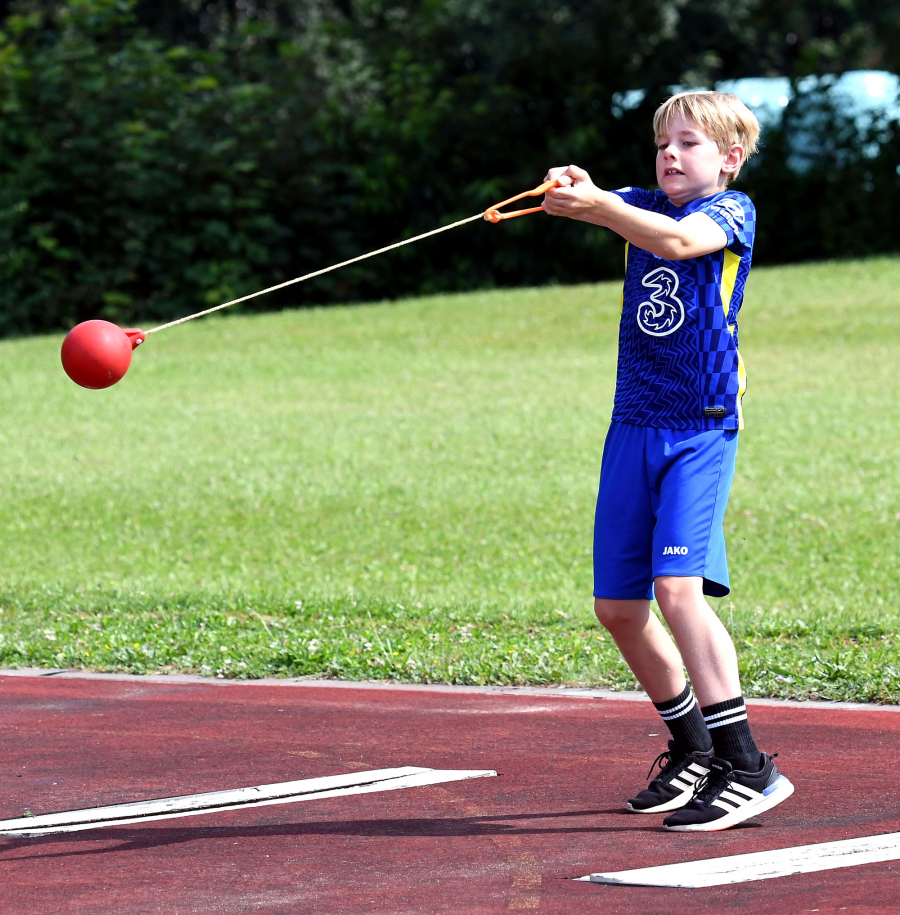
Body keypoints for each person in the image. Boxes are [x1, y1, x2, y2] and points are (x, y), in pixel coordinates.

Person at [542, 90, 794, 832]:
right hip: (633, 424)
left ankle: (747, 763)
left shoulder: (730, 212)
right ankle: (692, 748)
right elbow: (602, 203)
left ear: (728, 158)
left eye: (688, 143)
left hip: (700, 425)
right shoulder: (645, 201)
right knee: (619, 606)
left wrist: (599, 207)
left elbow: (677, 243)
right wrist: (572, 192)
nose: (671, 156)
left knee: (678, 590)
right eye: (662, 144)